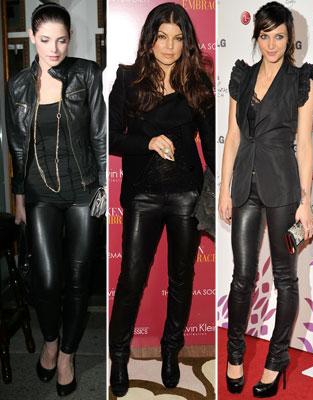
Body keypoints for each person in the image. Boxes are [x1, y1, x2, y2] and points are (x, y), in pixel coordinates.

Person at [107, 2, 215, 397]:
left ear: (186, 43)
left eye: (177, 38)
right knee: (132, 278)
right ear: (150, 39)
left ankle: (171, 351)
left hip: (186, 195)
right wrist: (148, 142)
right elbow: (111, 138)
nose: (169, 46)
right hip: (142, 195)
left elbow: (212, 143)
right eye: (162, 36)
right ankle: (120, 356)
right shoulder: (128, 79)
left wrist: (223, 190)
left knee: (181, 279)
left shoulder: (197, 83)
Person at [5, 2, 106, 396]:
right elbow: (17, 147)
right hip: (39, 193)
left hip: (82, 191)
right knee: (47, 280)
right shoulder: (17, 86)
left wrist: (103, 188)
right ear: (33, 37)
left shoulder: (86, 74)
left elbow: (99, 134)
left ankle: (66, 355)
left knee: (79, 280)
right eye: (45, 40)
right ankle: (50, 342)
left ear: (70, 38)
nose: (54, 48)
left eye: (61, 40)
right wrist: (18, 196)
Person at [218, 1, 313, 397]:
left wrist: (305, 201)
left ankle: (276, 360)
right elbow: (232, 137)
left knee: (285, 278)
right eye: (265, 36)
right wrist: (225, 190)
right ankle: (235, 356)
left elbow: (305, 145)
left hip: (283, 190)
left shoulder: (301, 81)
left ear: (290, 39)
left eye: (279, 36)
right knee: (242, 277)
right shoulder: (242, 76)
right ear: (256, 37)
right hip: (245, 185)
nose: (272, 44)